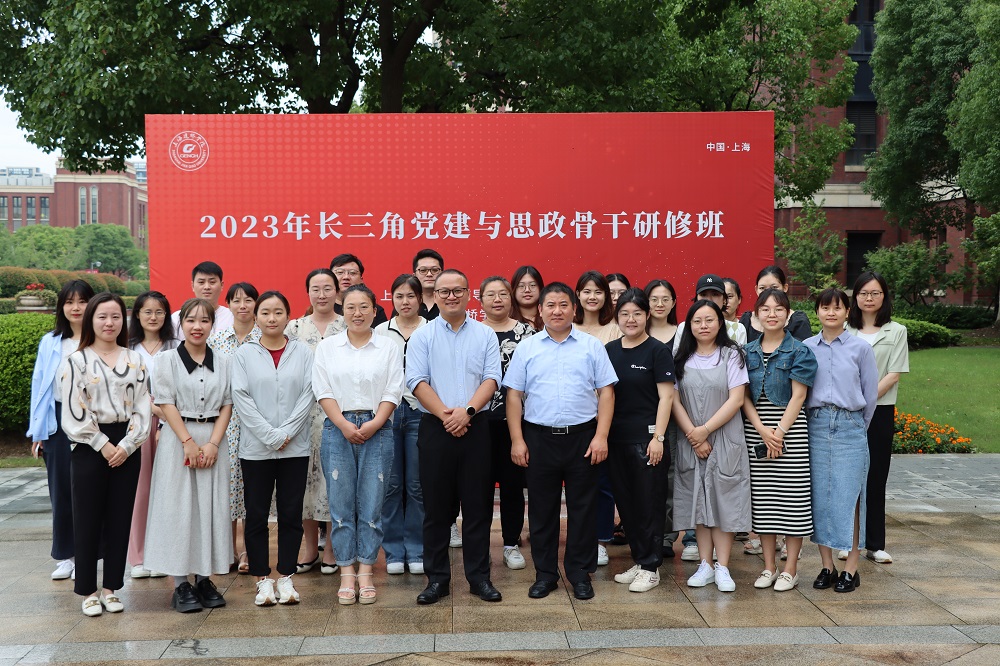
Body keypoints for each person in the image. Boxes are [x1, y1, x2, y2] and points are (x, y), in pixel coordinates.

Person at [504, 282, 617, 600]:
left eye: (563, 304)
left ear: (574, 309)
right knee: (542, 511)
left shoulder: (591, 346)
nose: (557, 311)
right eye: (550, 305)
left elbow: (607, 392)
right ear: (540, 310)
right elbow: (513, 396)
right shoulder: (527, 347)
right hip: (538, 438)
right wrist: (517, 440)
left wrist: (601, 436)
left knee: (583, 509)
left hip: (583, 437)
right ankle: (545, 575)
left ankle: (580, 573)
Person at [405, 269, 502, 605]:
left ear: (468, 294)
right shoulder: (422, 335)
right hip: (436, 427)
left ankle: (479, 578)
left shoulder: (485, 334)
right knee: (436, 509)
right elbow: (416, 381)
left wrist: (467, 412)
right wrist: (447, 415)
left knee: (478, 508)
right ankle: (437, 580)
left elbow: (492, 378)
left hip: (477, 426)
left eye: (457, 290)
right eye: (444, 291)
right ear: (434, 295)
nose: (451, 296)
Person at [61, 292, 152, 617]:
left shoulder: (135, 360)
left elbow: (143, 406)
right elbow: (73, 412)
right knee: (86, 519)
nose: (109, 323)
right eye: (102, 316)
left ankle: (111, 588)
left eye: (115, 317)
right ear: (91, 320)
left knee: (119, 518)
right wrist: (102, 443)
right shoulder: (76, 361)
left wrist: (127, 445)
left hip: (127, 444)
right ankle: (87, 591)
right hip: (89, 446)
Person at [314, 284, 403, 605]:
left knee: (372, 503)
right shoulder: (328, 347)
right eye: (351, 307)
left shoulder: (388, 346)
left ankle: (366, 570)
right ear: (343, 311)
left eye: (364, 307)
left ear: (375, 310)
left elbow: (393, 388)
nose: (357, 313)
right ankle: (346, 572)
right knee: (340, 505)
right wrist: (342, 424)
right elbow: (322, 389)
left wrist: (376, 423)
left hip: (378, 427)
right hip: (337, 428)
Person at [144, 298, 234, 613]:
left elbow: (227, 403)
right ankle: (181, 583)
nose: (197, 327)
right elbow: (165, 402)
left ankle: (205, 578)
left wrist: (213, 444)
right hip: (178, 440)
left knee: (210, 507)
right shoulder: (167, 360)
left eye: (204, 321)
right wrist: (187, 441)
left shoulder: (224, 361)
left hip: (213, 440)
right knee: (178, 508)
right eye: (191, 320)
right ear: (180, 324)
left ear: (212, 325)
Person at [233, 291, 315, 607]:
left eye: (278, 312)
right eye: (265, 312)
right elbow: (241, 397)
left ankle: (286, 576)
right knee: (255, 514)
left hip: (295, 447)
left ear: (288, 316)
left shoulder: (303, 352)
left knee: (291, 513)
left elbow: (309, 393)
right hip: (256, 449)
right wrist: (270, 435)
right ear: (256, 317)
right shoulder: (244, 354)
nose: (271, 318)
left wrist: (287, 432)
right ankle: (262, 579)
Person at [672, 300, 750, 593]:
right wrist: (694, 435)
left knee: (723, 500)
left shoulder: (732, 355)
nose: (703, 326)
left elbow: (737, 399)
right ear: (689, 326)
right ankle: (704, 564)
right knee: (698, 500)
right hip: (691, 439)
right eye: (697, 321)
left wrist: (704, 431)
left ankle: (723, 566)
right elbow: (673, 401)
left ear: (720, 323)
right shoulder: (680, 358)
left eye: (709, 320)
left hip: (724, 437)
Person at [742, 288, 817, 592]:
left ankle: (790, 569)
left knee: (792, 499)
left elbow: (799, 395)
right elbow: (742, 396)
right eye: (765, 309)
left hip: (791, 431)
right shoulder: (746, 351)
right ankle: (769, 567)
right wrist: (762, 430)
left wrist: (779, 432)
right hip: (757, 430)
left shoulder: (800, 351)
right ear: (756, 315)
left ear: (788, 314)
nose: (771, 314)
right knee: (764, 501)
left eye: (778, 309)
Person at [805, 288, 878, 593]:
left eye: (837, 308)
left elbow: (870, 395)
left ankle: (851, 568)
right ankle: (827, 566)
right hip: (817, 425)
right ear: (817, 312)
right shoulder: (807, 347)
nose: (831, 313)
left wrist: (856, 426)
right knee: (820, 497)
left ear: (848, 312)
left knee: (851, 498)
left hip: (850, 427)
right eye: (825, 307)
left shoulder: (861, 349)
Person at [605, 289, 674, 593]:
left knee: (649, 505)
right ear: (617, 317)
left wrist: (658, 437)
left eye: (636, 313)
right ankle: (639, 558)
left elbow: (666, 397)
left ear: (647, 315)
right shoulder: (609, 350)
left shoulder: (657, 351)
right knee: (627, 504)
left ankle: (650, 567)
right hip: (615, 440)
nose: (630, 319)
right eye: (624, 314)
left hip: (647, 442)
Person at [28, 279, 94, 581]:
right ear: (61, 307)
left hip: (93, 419)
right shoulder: (51, 341)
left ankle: (88, 555)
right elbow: (39, 386)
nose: (76, 307)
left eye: (82, 301)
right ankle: (67, 556)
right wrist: (38, 432)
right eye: (69, 302)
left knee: (89, 491)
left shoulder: (101, 338)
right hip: (57, 420)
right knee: (61, 490)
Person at [285, 268, 345, 575]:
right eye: (315, 289)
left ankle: (332, 548)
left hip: (339, 416)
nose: (321, 295)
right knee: (304, 484)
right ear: (307, 292)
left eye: (327, 288)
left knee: (335, 481)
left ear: (337, 291)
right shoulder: (294, 328)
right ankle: (310, 547)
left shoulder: (347, 325)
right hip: (302, 417)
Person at [845, 271, 908, 565]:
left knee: (876, 476)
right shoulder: (845, 329)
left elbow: (894, 374)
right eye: (863, 293)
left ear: (884, 296)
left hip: (880, 410)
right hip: (847, 411)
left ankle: (874, 544)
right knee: (849, 477)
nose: (869, 298)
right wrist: (854, 400)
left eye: (875, 293)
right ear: (855, 297)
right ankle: (847, 541)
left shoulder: (896, 331)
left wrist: (865, 398)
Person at [480, 276, 535, 570]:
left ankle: (511, 544)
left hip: (517, 422)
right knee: (478, 486)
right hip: (477, 421)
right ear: (480, 300)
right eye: (491, 294)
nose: (497, 299)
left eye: (503, 294)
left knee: (513, 485)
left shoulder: (528, 334)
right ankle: (480, 546)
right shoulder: (472, 332)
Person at [375, 274, 428, 575]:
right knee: (391, 485)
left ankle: (417, 549)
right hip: (389, 412)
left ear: (420, 298)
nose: (405, 301)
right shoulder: (381, 332)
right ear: (391, 299)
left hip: (421, 411)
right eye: (399, 296)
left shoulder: (432, 329)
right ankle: (394, 551)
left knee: (417, 486)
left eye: (410, 296)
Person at [206, 282, 261, 575]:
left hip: (257, 422)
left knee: (253, 488)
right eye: (236, 300)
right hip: (224, 422)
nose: (242, 306)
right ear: (228, 305)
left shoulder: (265, 338)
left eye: (248, 300)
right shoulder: (216, 340)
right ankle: (226, 550)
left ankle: (249, 549)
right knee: (226, 486)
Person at [127, 291, 178, 579]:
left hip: (172, 423)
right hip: (137, 425)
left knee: (168, 489)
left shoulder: (176, 346)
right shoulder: (127, 347)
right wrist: (150, 407)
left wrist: (163, 413)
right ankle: (138, 557)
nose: (153, 317)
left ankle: (164, 555)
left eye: (159, 312)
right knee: (140, 489)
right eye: (147, 311)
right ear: (137, 315)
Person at [573, 270, 621, 566]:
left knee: (602, 481)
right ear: (577, 295)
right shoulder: (567, 327)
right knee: (575, 483)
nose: (592, 297)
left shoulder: (615, 329)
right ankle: (578, 538)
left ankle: (601, 539)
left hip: (604, 415)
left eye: (598, 291)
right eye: (586, 291)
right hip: (573, 415)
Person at [643, 279, 693, 560]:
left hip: (677, 413)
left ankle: (666, 535)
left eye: (665, 299)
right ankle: (643, 532)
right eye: (654, 299)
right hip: (641, 413)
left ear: (674, 302)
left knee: (671, 474)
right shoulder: (637, 330)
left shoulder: (683, 333)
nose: (659, 304)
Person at [739, 266, 812, 343]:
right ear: (756, 289)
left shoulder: (798, 321)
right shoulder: (747, 320)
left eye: (774, 287)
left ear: (785, 288)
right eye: (762, 288)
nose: (768, 292)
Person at [672, 274, 738, 354]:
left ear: (724, 299)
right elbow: (677, 357)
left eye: (715, 294)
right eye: (703, 295)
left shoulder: (738, 329)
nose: (709, 299)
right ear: (696, 298)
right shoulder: (684, 327)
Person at [170, 261, 235, 338]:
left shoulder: (232, 317)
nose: (207, 287)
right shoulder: (176, 318)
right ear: (192, 286)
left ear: (221, 285)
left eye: (212, 282)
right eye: (201, 282)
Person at [330, 253, 388, 326]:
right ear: (330, 277)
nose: (346, 277)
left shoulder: (373, 310)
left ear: (361, 279)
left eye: (352, 273)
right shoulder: (323, 308)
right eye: (340, 272)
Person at [406, 249, 443, 320]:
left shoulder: (450, 301)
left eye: (434, 270)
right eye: (423, 270)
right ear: (414, 275)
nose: (429, 274)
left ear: (442, 274)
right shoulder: (405, 304)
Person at [512, 265, 544, 330]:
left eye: (532, 285)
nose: (527, 290)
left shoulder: (549, 318)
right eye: (521, 286)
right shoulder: (506, 320)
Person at [721, 277, 749, 345]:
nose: (725, 301)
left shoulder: (741, 328)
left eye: (729, 296)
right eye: (721, 296)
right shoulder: (710, 326)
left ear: (739, 299)